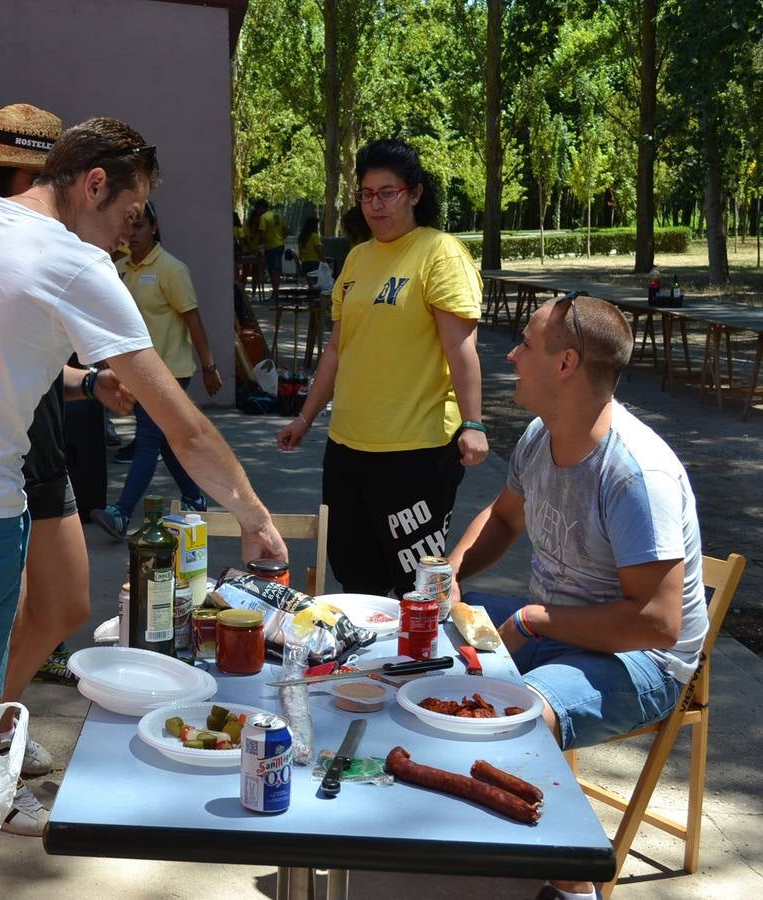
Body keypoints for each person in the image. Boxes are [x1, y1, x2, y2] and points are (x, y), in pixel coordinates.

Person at [0, 109, 287, 800]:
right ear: (93, 184)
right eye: (129, 212)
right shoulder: (76, 264)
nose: (128, 234)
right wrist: (252, 512)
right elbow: (182, 427)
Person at [445, 294, 705, 900]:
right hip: (559, 629)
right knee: (435, 643)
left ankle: (572, 888)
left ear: (565, 364)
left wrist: (536, 620)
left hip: (640, 662)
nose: (509, 355)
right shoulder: (541, 436)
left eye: (525, 345)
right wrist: (451, 571)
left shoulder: (636, 474)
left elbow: (660, 624)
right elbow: (505, 519)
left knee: (523, 718)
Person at [0, 103, 134, 833]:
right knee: (6, 624)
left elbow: (28, 358)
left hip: (43, 452)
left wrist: (89, 383)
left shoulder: (37, 242)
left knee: (58, 610)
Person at [276, 139, 488, 596]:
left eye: (387, 192)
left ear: (413, 193)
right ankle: (372, 667)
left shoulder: (440, 253)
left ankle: (419, 666)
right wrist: (306, 417)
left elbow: (461, 348)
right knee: (355, 576)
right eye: (366, 194)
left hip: (417, 449)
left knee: (416, 583)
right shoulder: (357, 257)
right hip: (347, 445)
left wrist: (474, 423)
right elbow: (337, 348)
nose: (376, 204)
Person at [89, 201, 223, 539]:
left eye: (140, 226)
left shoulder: (171, 269)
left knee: (148, 438)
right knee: (164, 440)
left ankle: (121, 513)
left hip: (170, 372)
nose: (132, 233)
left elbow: (193, 320)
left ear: (154, 227)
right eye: (128, 224)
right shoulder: (117, 269)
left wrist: (209, 367)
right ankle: (194, 498)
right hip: (136, 373)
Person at [251, 198, 286, 294]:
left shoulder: (263, 217)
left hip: (271, 247)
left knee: (273, 270)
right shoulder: (278, 215)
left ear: (261, 207)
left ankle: (275, 293)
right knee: (277, 269)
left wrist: (260, 246)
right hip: (280, 245)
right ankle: (276, 291)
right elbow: (285, 231)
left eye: (257, 209)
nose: (257, 212)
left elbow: (262, 234)